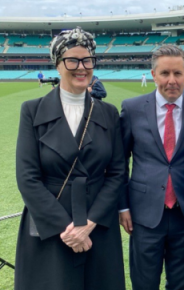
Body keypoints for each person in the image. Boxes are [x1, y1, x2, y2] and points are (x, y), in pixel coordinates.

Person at [15, 27, 126, 290]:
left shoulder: (109, 113)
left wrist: (88, 225)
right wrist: (68, 229)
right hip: (51, 226)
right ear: (57, 63)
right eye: (72, 60)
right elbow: (27, 177)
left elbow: (118, 173)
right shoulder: (31, 111)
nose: (81, 67)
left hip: (97, 226)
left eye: (87, 60)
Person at [119, 44, 184, 290]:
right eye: (165, 74)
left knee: (179, 284)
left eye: (178, 73)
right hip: (144, 214)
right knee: (143, 282)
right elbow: (120, 161)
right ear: (153, 75)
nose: (172, 81)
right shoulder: (132, 108)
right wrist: (123, 205)